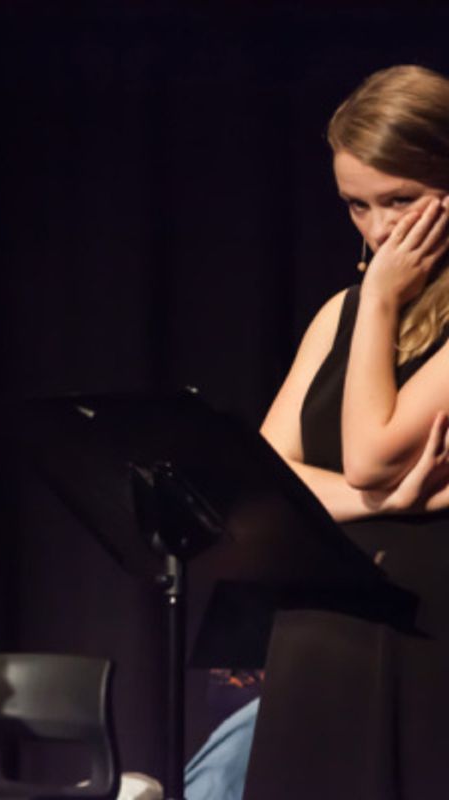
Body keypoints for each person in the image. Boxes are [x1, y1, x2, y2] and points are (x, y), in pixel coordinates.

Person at [247, 65, 449, 798]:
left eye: (402, 200)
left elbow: (368, 454)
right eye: (357, 206)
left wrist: (384, 301)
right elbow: (261, 474)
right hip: (321, 622)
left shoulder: (372, 307)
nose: (380, 230)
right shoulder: (344, 311)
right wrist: (378, 505)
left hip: (425, 629)